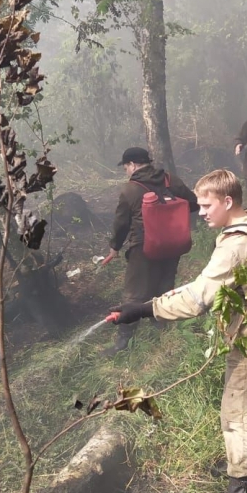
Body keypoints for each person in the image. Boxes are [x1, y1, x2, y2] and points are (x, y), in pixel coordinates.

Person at [111, 169, 247, 493]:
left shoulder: (238, 243)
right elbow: (209, 283)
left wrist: (144, 309)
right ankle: (239, 465)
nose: (200, 211)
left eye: (206, 205)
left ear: (227, 201)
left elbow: (197, 299)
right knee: (235, 407)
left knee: (240, 415)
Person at [102, 147, 197, 354]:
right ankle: (163, 333)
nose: (126, 171)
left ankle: (123, 342)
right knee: (164, 287)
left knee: (133, 293)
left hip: (143, 248)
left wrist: (114, 247)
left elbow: (121, 224)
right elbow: (193, 203)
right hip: (173, 245)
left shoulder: (130, 189)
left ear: (133, 165)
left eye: (126, 167)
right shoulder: (171, 180)